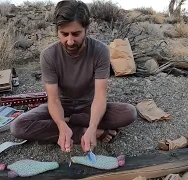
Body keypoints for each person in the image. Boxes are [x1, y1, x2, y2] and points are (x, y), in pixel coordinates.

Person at [10, 0, 137, 153]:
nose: (70, 41)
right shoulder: (49, 55)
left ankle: (77, 124)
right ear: (57, 31)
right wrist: (61, 125)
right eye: (64, 34)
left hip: (88, 106)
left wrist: (92, 125)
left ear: (86, 30)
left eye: (76, 34)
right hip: (60, 106)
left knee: (129, 113)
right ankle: (82, 132)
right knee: (18, 126)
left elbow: (100, 96)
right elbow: (54, 99)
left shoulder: (100, 51)